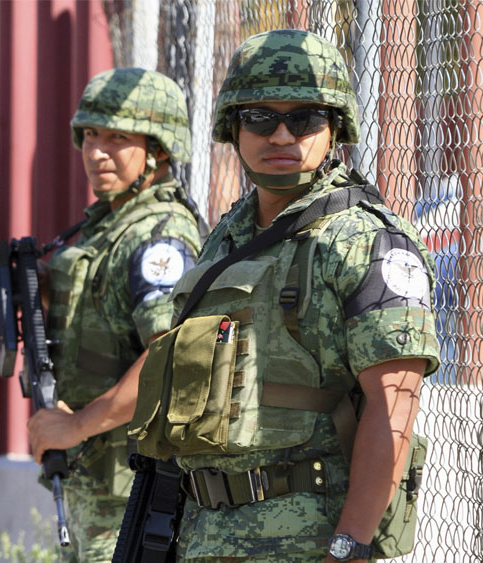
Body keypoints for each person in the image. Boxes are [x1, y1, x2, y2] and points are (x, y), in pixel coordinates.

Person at [128, 30, 440, 562]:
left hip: (305, 543)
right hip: (202, 536)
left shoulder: (366, 241)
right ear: (233, 127)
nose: (280, 135)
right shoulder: (229, 233)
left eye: (303, 118)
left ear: (335, 127)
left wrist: (349, 547)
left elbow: (394, 410)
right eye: (259, 118)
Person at [26, 68, 205, 561]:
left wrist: (77, 425)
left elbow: (170, 356)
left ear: (159, 149)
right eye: (89, 135)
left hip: (132, 487)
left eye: (117, 138)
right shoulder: (109, 224)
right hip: (95, 479)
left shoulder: (159, 232)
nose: (96, 152)